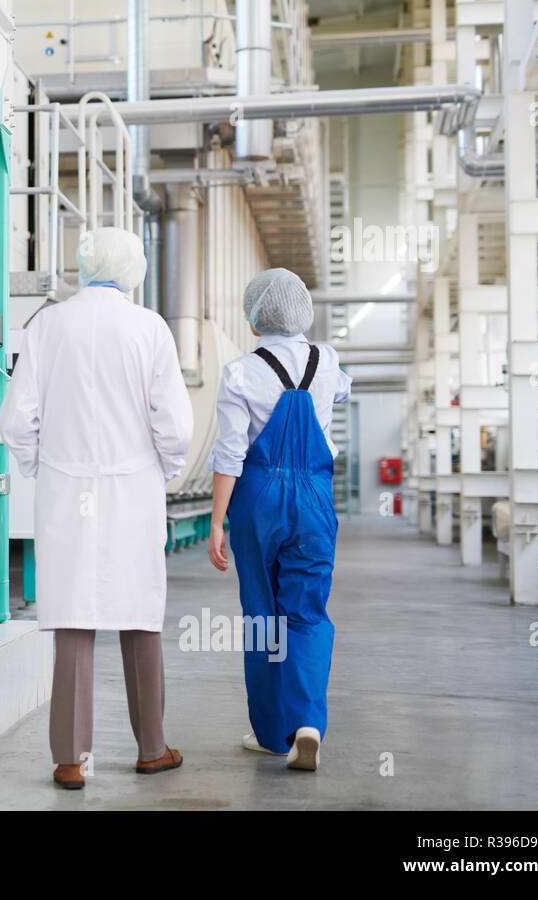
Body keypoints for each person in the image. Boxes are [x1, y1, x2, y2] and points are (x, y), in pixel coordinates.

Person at [0, 227, 194, 790]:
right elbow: (175, 425)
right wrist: (166, 470)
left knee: (74, 617)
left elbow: (16, 420)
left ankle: (70, 759)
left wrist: (42, 466)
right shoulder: (149, 328)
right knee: (139, 614)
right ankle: (152, 749)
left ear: (82, 266)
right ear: (134, 269)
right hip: (133, 489)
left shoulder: (46, 325)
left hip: (67, 489)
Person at [206, 267, 352, 771]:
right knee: (307, 612)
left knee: (262, 619)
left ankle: (271, 735)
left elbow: (229, 455)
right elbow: (342, 392)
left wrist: (216, 523)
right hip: (313, 497)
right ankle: (307, 723)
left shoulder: (240, 371)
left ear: (253, 321)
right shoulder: (327, 360)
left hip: (258, 499)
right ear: (304, 313)